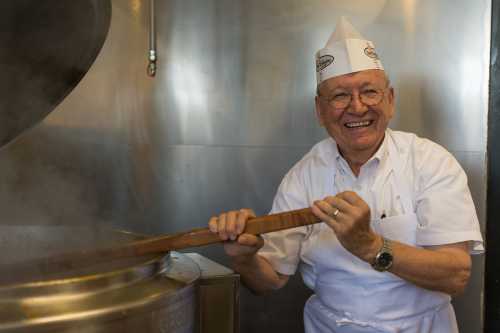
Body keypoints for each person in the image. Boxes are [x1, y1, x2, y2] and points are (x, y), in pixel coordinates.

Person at [208, 17, 483, 333]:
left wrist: (370, 246)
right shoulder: (304, 176)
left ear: (390, 100)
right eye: (339, 96)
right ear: (320, 110)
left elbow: (456, 274)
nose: (357, 107)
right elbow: (268, 279)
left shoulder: (431, 162)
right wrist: (244, 258)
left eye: (369, 92)